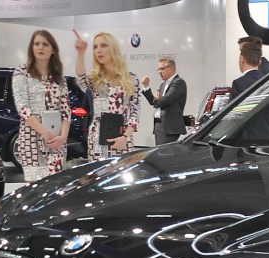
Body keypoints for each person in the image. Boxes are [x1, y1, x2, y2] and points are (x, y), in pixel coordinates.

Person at [12, 30, 71, 183]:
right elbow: (22, 108)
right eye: (36, 44)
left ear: (53, 50)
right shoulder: (22, 72)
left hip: (56, 138)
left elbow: (66, 111)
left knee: (55, 187)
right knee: (34, 189)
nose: (40, 47)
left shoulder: (59, 77)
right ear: (31, 47)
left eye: (45, 44)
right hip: (31, 137)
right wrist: (45, 133)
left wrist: (63, 137)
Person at [72, 30, 140, 160]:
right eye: (95, 47)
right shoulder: (94, 78)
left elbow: (135, 113)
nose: (98, 50)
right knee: (98, 177)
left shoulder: (131, 79)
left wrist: (125, 137)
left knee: (120, 177)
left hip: (122, 137)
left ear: (113, 48)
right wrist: (81, 53)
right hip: (97, 136)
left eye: (103, 45)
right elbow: (80, 77)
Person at [141, 57, 187, 145]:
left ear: (171, 69)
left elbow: (165, 100)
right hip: (158, 125)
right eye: (159, 69)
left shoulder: (179, 83)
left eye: (162, 69)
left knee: (164, 155)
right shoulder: (163, 85)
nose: (159, 72)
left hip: (169, 127)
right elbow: (153, 102)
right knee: (160, 154)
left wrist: (156, 99)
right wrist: (146, 86)